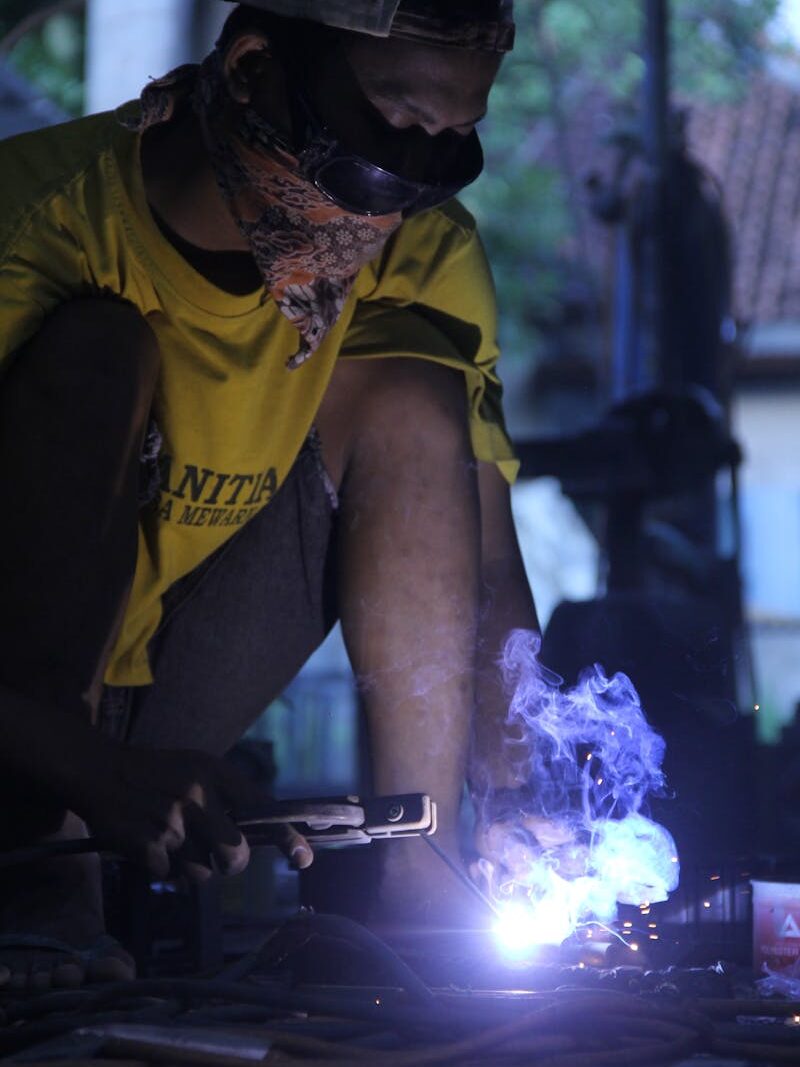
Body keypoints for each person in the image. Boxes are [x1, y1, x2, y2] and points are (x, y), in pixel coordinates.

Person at [0, 0, 541, 990]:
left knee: (417, 399)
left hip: (161, 714)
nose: (404, 191)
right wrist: (77, 768)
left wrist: (519, 791)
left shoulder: (419, 250)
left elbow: (489, 566)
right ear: (252, 69)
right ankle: (42, 895)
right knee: (99, 347)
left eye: (451, 145)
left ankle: (423, 894)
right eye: (390, 126)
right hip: (19, 735)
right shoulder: (34, 227)